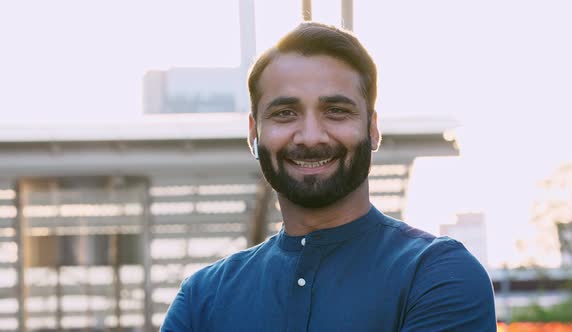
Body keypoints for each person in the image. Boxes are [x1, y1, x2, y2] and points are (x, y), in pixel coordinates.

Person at [161, 22, 496, 331]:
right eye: (285, 113)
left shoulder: (437, 274)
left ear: (373, 129)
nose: (310, 136)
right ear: (254, 133)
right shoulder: (202, 298)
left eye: (336, 111)